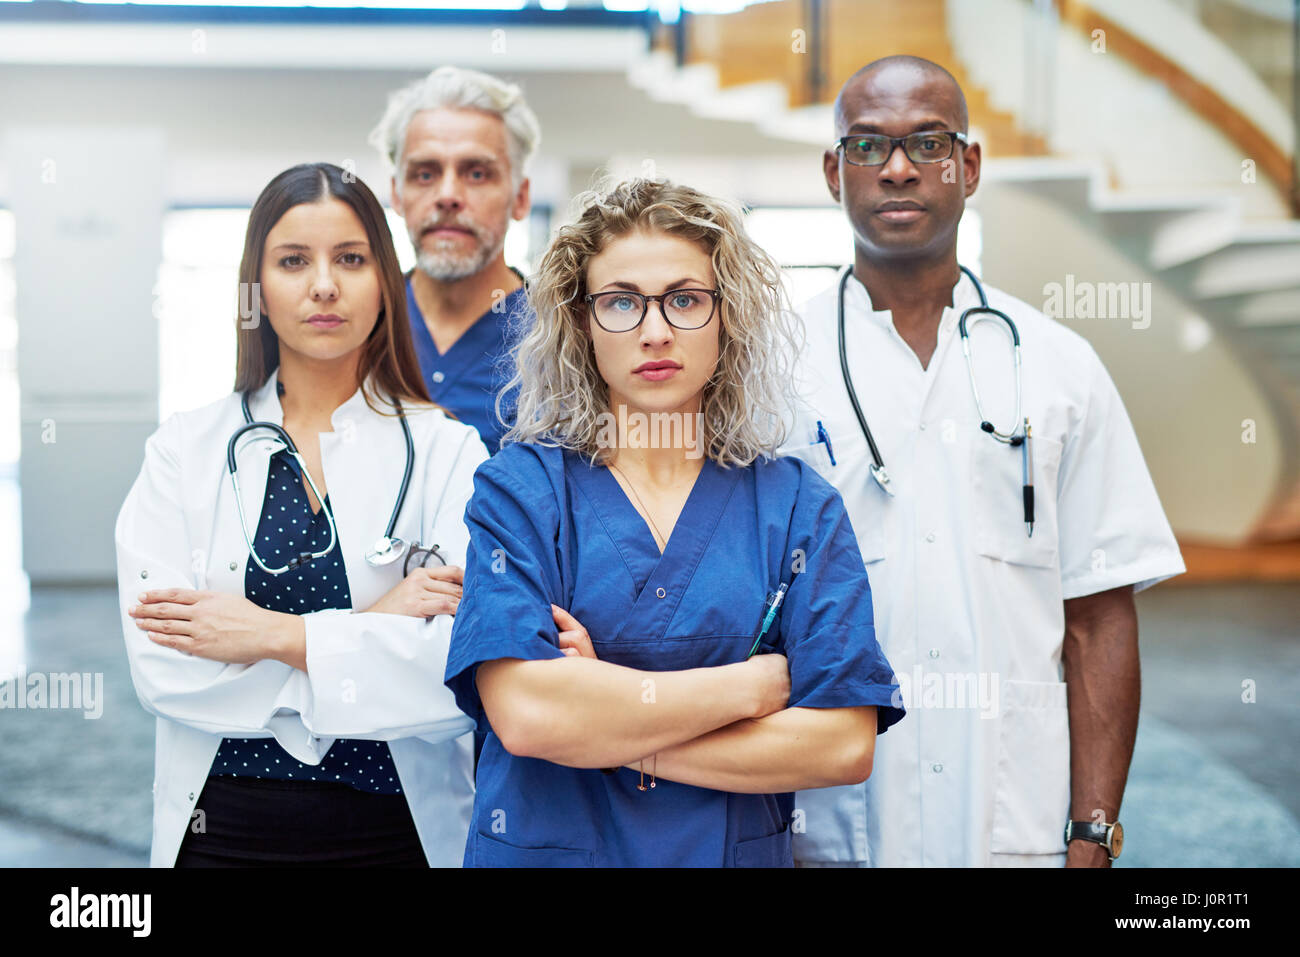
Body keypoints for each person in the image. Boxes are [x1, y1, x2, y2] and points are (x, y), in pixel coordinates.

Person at [784, 56, 1185, 868]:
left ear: (968, 166)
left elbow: (1099, 616)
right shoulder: (770, 365)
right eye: (867, 147)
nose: (898, 168)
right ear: (834, 172)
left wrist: (1093, 831)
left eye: (927, 142)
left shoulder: (1060, 366)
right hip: (825, 818)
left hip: (1016, 818)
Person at [443, 178, 905, 868]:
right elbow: (528, 716)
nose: (655, 330)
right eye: (622, 302)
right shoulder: (522, 490)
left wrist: (614, 723)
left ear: (727, 316)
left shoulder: (796, 505)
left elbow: (841, 745)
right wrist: (747, 689)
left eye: (685, 300)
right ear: (582, 322)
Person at [115, 162, 488, 867]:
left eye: (350, 258)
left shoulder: (448, 451)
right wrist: (375, 632)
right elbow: (164, 670)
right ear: (257, 288)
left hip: (398, 831)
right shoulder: (184, 450)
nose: (324, 284)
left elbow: (456, 675)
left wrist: (269, 635)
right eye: (293, 261)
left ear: (385, 279)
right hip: (220, 831)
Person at [368, 65, 539, 455]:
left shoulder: (564, 341)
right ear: (397, 194)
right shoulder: (357, 327)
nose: (448, 195)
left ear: (521, 197)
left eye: (477, 173)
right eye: (424, 174)